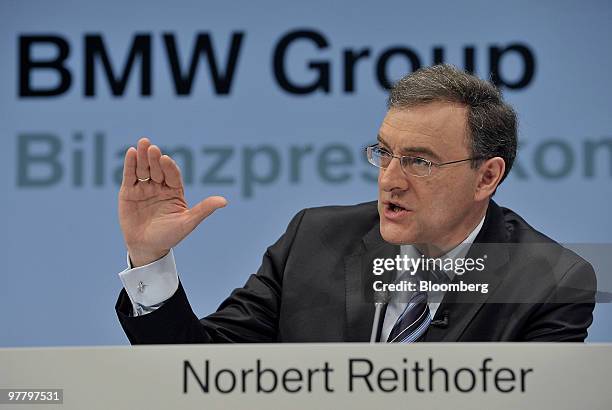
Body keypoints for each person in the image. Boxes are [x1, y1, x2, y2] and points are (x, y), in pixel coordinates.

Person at [115, 64, 595, 343]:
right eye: (385, 153)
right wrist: (150, 261)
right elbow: (201, 372)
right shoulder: (314, 240)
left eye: (420, 162)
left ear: (486, 176)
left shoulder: (550, 280)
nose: (391, 181)